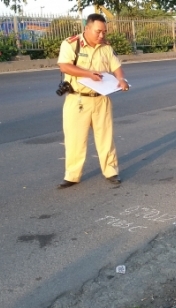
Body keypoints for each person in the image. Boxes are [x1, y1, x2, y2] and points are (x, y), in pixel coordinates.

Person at [56, 13, 129, 189]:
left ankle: (111, 171)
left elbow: (116, 66)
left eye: (104, 32)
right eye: (98, 31)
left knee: (105, 137)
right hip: (78, 99)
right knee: (75, 139)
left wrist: (121, 79)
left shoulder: (106, 47)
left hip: (101, 99)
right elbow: (64, 65)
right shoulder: (71, 43)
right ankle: (72, 175)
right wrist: (88, 74)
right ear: (87, 28)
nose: (102, 35)